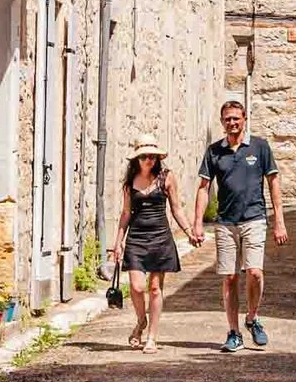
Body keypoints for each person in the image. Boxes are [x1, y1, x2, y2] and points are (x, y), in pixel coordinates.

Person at [195, 99, 285, 354]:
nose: (232, 123)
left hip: (254, 218)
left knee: (255, 272)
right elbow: (203, 188)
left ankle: (252, 318)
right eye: (227, 119)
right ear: (222, 122)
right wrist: (197, 223)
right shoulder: (214, 151)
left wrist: (279, 221)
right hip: (225, 222)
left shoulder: (260, 147)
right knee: (230, 277)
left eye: (236, 118)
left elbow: (273, 183)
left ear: (244, 119)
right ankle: (234, 332)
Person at [113, 136, 183, 351]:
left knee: (154, 288)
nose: (149, 160)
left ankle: (152, 337)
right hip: (136, 238)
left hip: (160, 237)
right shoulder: (129, 183)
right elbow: (126, 213)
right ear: (137, 159)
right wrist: (118, 242)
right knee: (137, 287)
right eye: (144, 156)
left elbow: (176, 208)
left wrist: (189, 231)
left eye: (153, 156)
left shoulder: (166, 177)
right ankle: (141, 320)